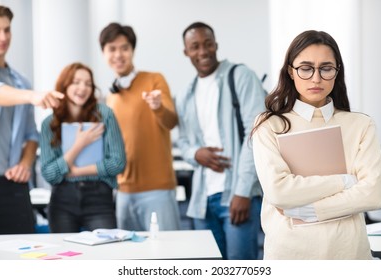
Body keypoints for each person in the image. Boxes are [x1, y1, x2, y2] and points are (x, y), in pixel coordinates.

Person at [251, 30, 381, 259]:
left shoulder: (361, 125)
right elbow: (279, 192)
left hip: (349, 254)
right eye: (306, 68)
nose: (316, 78)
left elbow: (373, 194)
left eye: (326, 68)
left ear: (337, 72)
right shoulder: (269, 126)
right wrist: (345, 181)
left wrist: (313, 210)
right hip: (290, 255)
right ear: (290, 72)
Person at [175, 22, 266, 259]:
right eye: (195, 47)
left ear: (216, 45)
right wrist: (196, 153)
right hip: (202, 201)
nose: (202, 51)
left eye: (207, 44)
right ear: (186, 52)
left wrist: (243, 191)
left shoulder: (241, 76)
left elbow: (257, 133)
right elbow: (183, 142)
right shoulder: (186, 94)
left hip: (237, 195)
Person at [99, 22, 180, 231]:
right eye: (112, 49)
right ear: (104, 53)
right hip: (123, 191)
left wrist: (158, 106)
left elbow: (171, 121)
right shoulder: (111, 96)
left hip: (157, 189)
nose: (119, 54)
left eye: (124, 48)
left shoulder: (154, 80)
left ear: (132, 51)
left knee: (167, 256)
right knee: (131, 256)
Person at [40, 62, 126, 233]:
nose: (83, 88)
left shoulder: (105, 115)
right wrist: (80, 144)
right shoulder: (49, 123)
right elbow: (49, 174)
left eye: (88, 84)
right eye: (76, 82)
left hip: (99, 198)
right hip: (62, 201)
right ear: (65, 85)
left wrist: (75, 171)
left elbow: (118, 162)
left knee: (106, 254)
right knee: (65, 256)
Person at [0, 5, 62, 234]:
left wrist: (25, 163)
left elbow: (31, 134)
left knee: (23, 251)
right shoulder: (25, 91)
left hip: (12, 184)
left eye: (7, 30)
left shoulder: (21, 81)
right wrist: (32, 96)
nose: (3, 37)